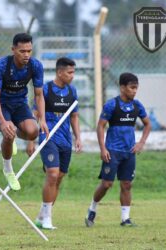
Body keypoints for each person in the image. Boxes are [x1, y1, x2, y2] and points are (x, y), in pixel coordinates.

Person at [85, 72, 151, 227]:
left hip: (129, 152)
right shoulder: (111, 105)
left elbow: (148, 124)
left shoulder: (137, 106)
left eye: (136, 88)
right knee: (107, 184)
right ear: (122, 88)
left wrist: (141, 143)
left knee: (127, 184)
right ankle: (92, 209)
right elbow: (100, 126)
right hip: (112, 151)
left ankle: (125, 219)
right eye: (132, 88)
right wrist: (103, 148)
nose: (134, 91)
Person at [0, 33, 49, 191]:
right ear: (13, 49)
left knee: (33, 132)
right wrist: (3, 121)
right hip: (0, 103)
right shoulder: (0, 66)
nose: (26, 55)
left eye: (29, 51)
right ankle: (8, 169)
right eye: (22, 51)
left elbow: (39, 94)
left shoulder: (35, 66)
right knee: (8, 132)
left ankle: (13, 135)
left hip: (20, 102)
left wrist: (41, 119)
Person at [27, 57, 82, 230]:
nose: (72, 76)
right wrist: (31, 140)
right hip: (48, 137)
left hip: (65, 140)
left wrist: (78, 137)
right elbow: (33, 114)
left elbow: (74, 116)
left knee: (58, 178)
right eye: (69, 72)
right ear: (59, 72)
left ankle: (41, 216)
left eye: (74, 72)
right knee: (52, 174)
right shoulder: (45, 90)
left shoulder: (72, 91)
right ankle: (48, 220)